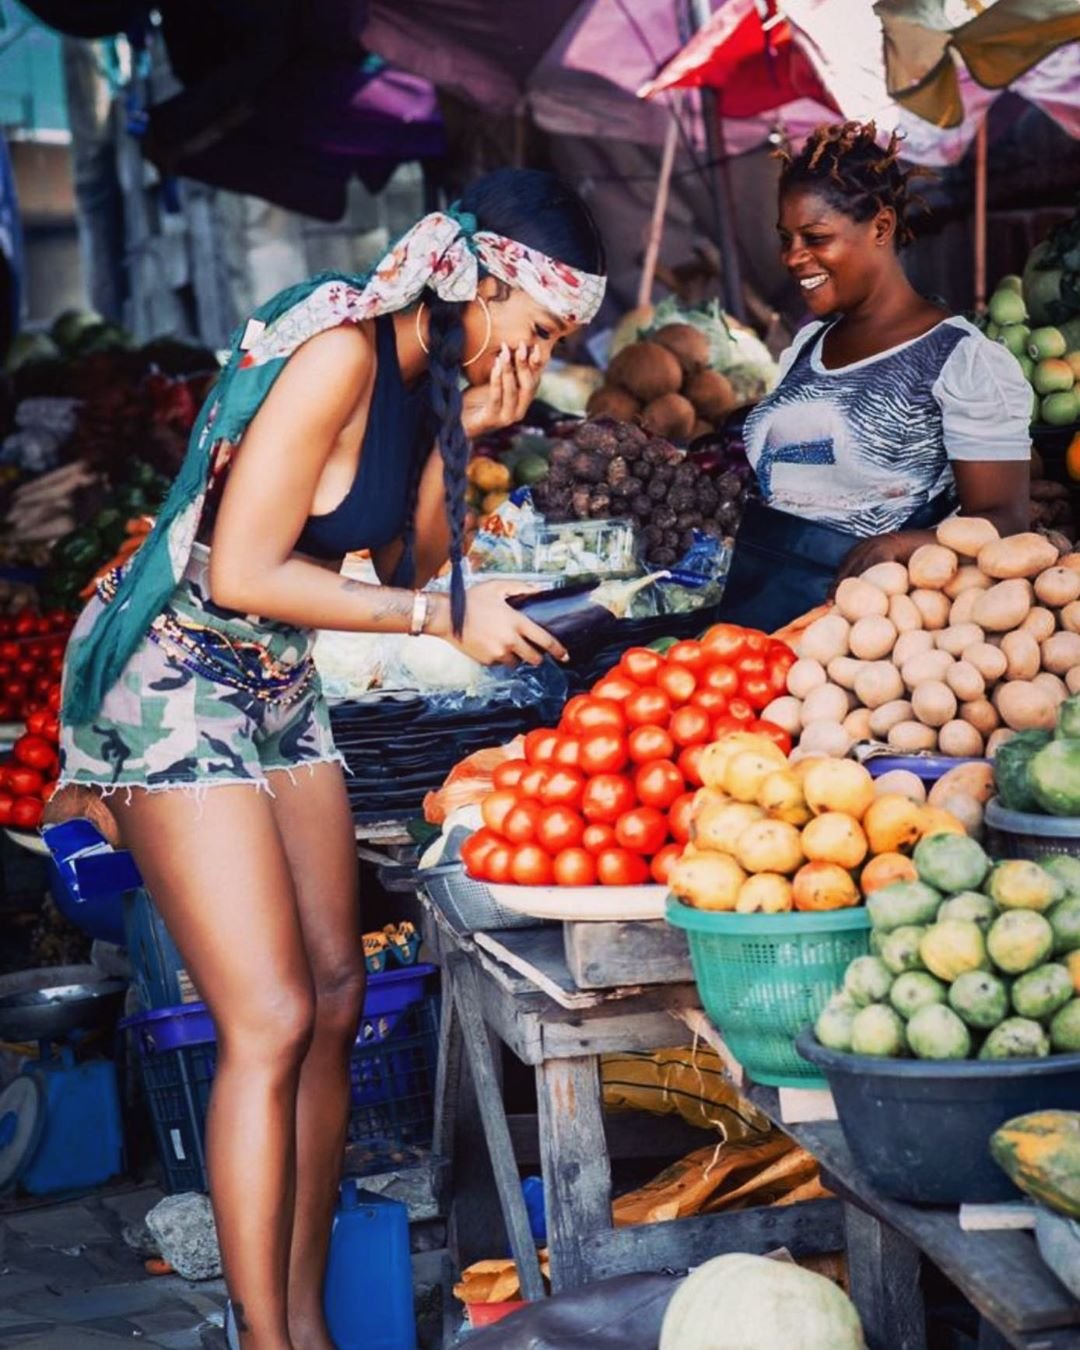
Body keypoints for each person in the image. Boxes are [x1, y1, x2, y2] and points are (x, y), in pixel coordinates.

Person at [57, 169, 606, 1350]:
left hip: (271, 680)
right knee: (265, 1019)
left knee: (337, 996)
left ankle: (303, 1321)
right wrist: (437, 626)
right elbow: (249, 573)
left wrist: (475, 434)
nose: (546, 355)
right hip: (171, 678)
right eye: (546, 329)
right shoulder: (342, 354)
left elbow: (401, 577)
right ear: (492, 278)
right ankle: (270, 1340)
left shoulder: (419, 381)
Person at [718, 121, 1031, 631]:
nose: (792, 257)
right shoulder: (806, 348)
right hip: (761, 614)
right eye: (786, 238)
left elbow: (1007, 522)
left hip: (872, 636)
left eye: (815, 238)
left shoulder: (963, 361)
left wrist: (902, 544)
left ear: (881, 228)